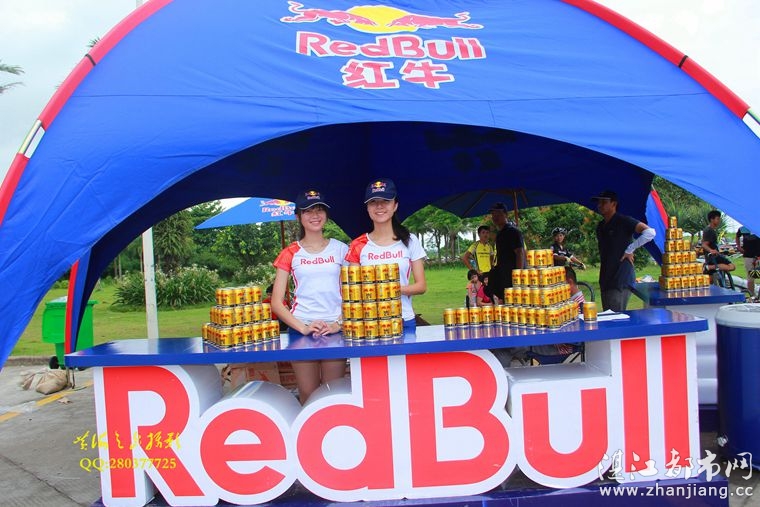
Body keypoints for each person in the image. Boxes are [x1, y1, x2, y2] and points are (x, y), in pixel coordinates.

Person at [271, 189, 348, 404]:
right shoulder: (289, 252)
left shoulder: (341, 250)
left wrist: (338, 324)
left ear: (326, 215)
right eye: (308, 211)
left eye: (319, 210)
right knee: (308, 394)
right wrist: (303, 328)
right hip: (301, 329)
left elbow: (354, 294)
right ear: (298, 217)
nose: (315, 215)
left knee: (332, 394)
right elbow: (276, 302)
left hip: (334, 329)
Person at [346, 178, 427, 330]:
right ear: (367, 208)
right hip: (369, 322)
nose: (379, 206)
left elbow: (421, 286)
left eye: (386, 201)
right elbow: (353, 289)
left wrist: (389, 288)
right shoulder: (357, 244)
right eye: (373, 202)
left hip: (403, 319)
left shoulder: (410, 240)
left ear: (395, 205)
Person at [592, 190, 655, 312]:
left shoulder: (623, 221)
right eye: (599, 202)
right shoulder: (601, 226)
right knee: (608, 316)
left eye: (604, 202)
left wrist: (630, 249)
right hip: (606, 278)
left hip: (620, 278)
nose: (600, 205)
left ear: (614, 204)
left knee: (615, 317)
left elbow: (650, 232)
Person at [488, 202, 525, 303]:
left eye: (498, 214)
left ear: (505, 214)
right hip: (503, 275)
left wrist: (518, 275)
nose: (495, 217)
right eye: (493, 214)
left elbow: (520, 253)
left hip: (513, 277)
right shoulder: (500, 234)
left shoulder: (512, 232)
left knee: (515, 304)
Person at [737, 226, 760, 298]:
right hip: (748, 256)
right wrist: (738, 247)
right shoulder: (743, 228)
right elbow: (737, 236)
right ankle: (752, 296)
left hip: (759, 256)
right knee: (750, 278)